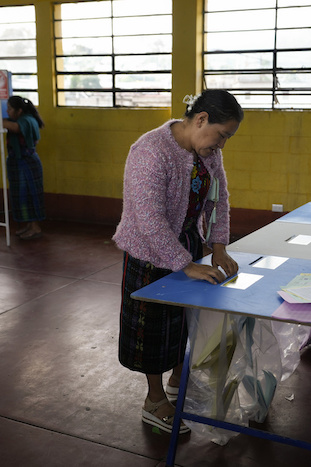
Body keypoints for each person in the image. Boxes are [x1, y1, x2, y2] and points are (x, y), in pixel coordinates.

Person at [112, 89, 243, 434]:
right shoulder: (151, 151)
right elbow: (149, 219)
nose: (222, 145)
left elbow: (220, 200)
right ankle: (154, 400)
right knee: (152, 330)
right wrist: (185, 264)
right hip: (148, 251)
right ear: (201, 120)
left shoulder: (208, 152)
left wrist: (218, 246)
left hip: (188, 245)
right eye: (222, 135)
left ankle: (177, 381)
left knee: (183, 322)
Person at [2, 96, 45, 240]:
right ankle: (29, 225)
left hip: (27, 163)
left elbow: (16, 128)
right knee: (21, 196)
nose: (7, 111)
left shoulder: (27, 120)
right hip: (18, 162)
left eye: (9, 108)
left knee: (30, 194)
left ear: (19, 110)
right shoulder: (21, 119)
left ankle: (35, 227)